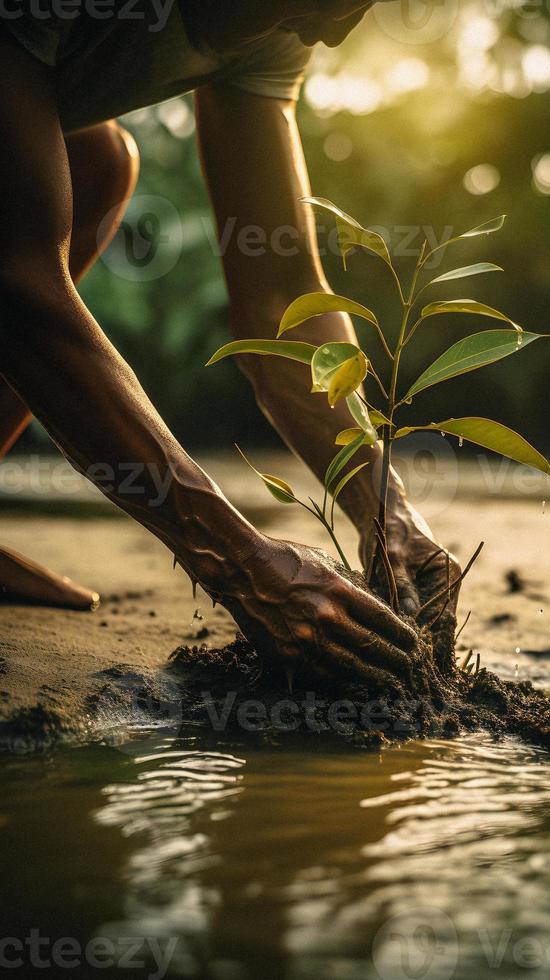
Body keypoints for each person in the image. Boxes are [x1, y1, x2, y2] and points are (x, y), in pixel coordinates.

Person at [0, 0, 460, 680]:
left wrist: (383, 508)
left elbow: (281, 300)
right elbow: (19, 282)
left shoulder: (285, 20)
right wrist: (237, 560)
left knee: (95, 163)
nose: (337, 30)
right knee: (90, 160)